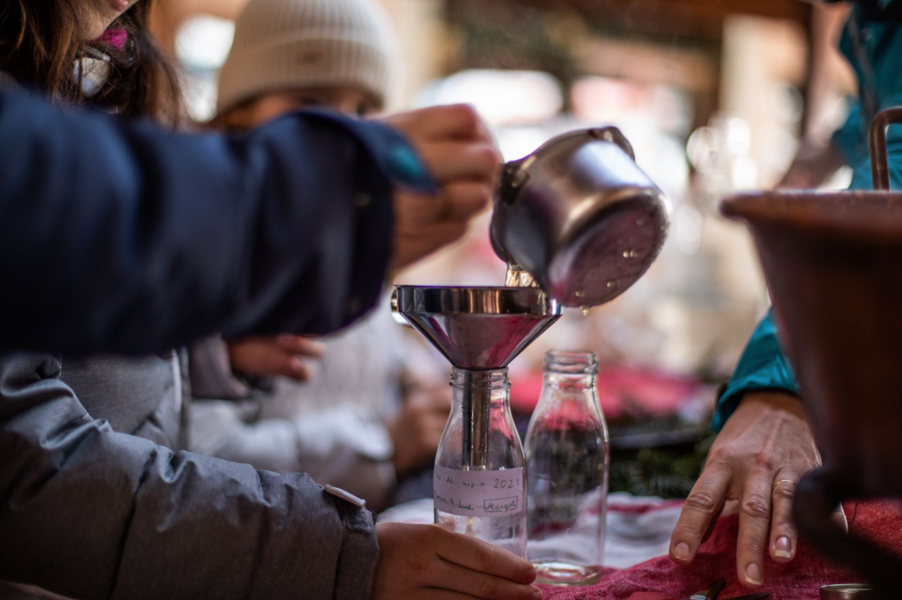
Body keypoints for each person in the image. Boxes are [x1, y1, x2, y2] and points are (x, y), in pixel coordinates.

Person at [0, 2, 543, 599]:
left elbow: (114, 380)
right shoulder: (232, 226)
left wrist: (216, 358)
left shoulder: (101, 96)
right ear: (233, 124)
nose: (344, 130)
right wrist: (363, 486)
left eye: (361, 111)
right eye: (311, 112)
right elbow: (34, 470)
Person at [670, 0, 902, 589]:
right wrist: (829, 149)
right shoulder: (868, 21)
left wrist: (781, 391)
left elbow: (882, 216)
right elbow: (877, 113)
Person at [188, 0, 450, 512]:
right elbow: (191, 459)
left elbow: (367, 356)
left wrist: (413, 374)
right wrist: (382, 447)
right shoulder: (203, 254)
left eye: (361, 111)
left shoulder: (353, 241)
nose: (345, 132)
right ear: (237, 112)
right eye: (311, 100)